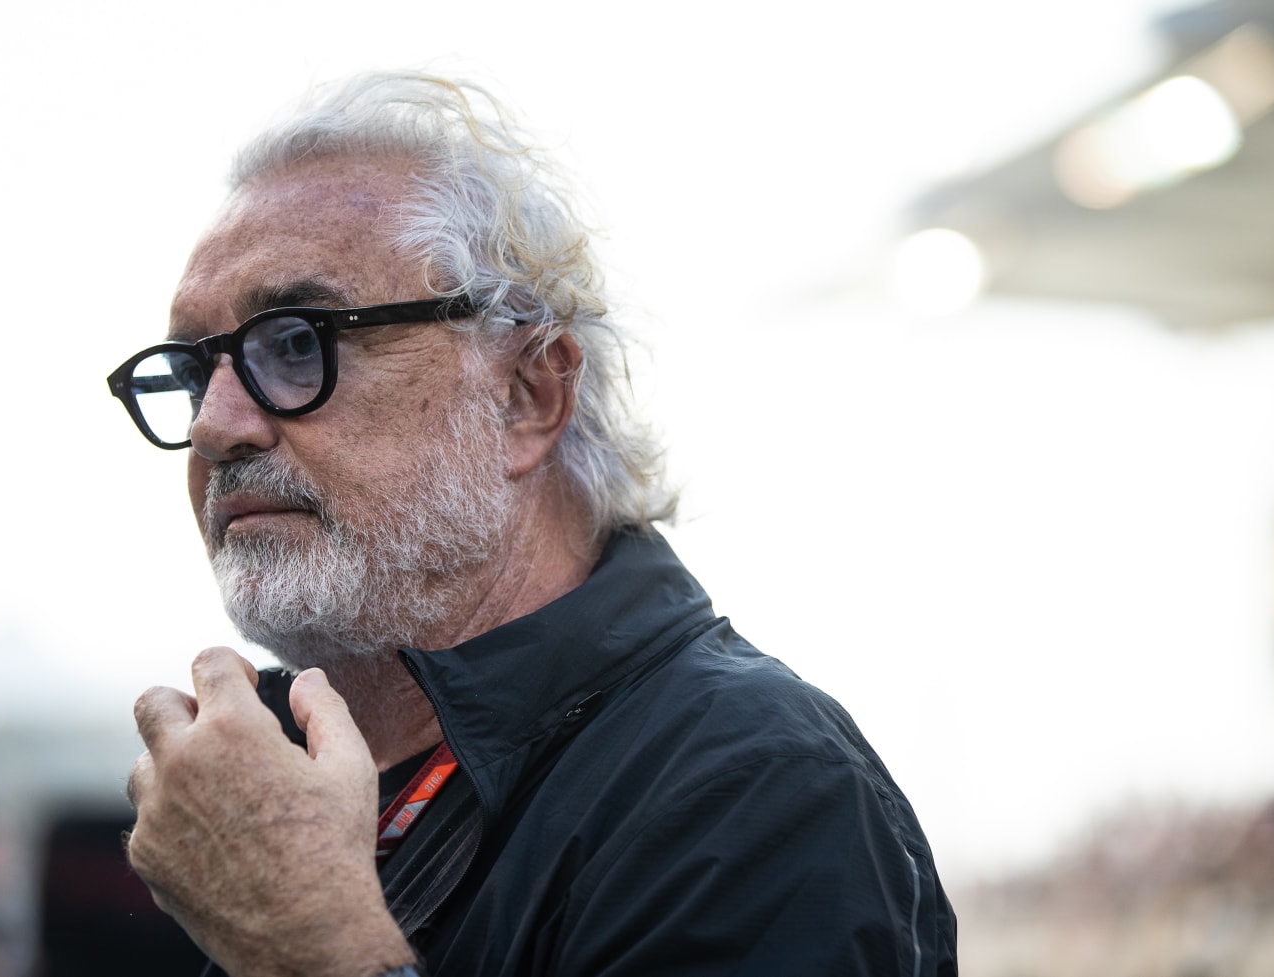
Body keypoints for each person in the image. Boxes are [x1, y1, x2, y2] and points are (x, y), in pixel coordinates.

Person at [113, 70, 958, 977]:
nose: (213, 425)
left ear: (528, 394)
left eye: (295, 341)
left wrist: (304, 945)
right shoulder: (259, 795)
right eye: (195, 370)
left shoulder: (756, 789)